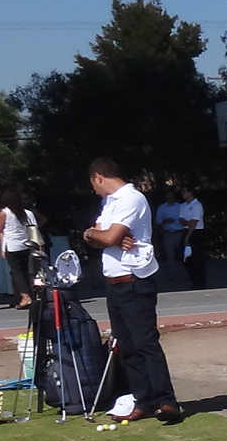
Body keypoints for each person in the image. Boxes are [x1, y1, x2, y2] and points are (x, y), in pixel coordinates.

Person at [83, 159, 182, 424]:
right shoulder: (109, 203)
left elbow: (107, 237)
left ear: (99, 177)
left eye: (92, 183)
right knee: (126, 344)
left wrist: (100, 236)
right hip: (114, 281)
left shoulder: (131, 198)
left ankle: (166, 400)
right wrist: (95, 235)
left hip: (134, 280)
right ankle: (144, 400)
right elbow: (96, 235)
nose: (93, 189)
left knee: (146, 342)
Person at [0, 188, 38, 309]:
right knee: (25, 271)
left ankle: (25, 296)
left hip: (12, 245)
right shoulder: (27, 213)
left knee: (17, 271)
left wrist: (2, 248)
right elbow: (33, 229)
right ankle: (29, 294)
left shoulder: (4, 213)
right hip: (26, 244)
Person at [155, 188, 186, 285]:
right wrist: (165, 221)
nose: (170, 197)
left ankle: (186, 274)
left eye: (171, 195)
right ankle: (171, 275)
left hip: (180, 233)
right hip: (168, 233)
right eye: (168, 195)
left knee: (183, 255)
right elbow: (157, 221)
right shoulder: (161, 208)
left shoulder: (180, 207)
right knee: (170, 256)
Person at [178, 185, 205, 289]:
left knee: (197, 258)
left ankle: (200, 281)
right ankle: (194, 279)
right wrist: (187, 223)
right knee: (183, 257)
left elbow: (194, 222)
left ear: (190, 192)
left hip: (196, 232)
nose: (183, 193)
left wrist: (187, 237)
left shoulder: (197, 205)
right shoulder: (183, 205)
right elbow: (181, 220)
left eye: (184, 191)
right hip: (185, 230)